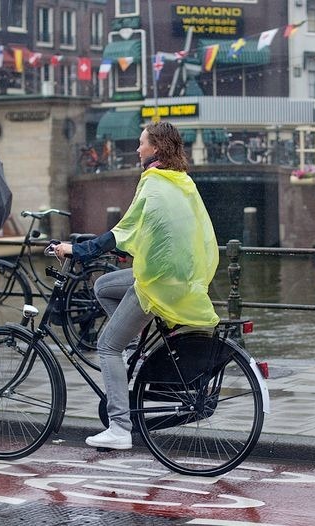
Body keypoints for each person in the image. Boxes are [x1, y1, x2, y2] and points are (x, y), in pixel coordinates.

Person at [53, 121, 220, 450]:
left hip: (158, 281)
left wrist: (80, 250)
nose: (137, 148)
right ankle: (135, 352)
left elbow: (125, 229)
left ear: (155, 148)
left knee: (106, 346)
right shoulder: (180, 181)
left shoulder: (154, 183)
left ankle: (119, 427)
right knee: (103, 287)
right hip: (178, 272)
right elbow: (154, 229)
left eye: (142, 143)